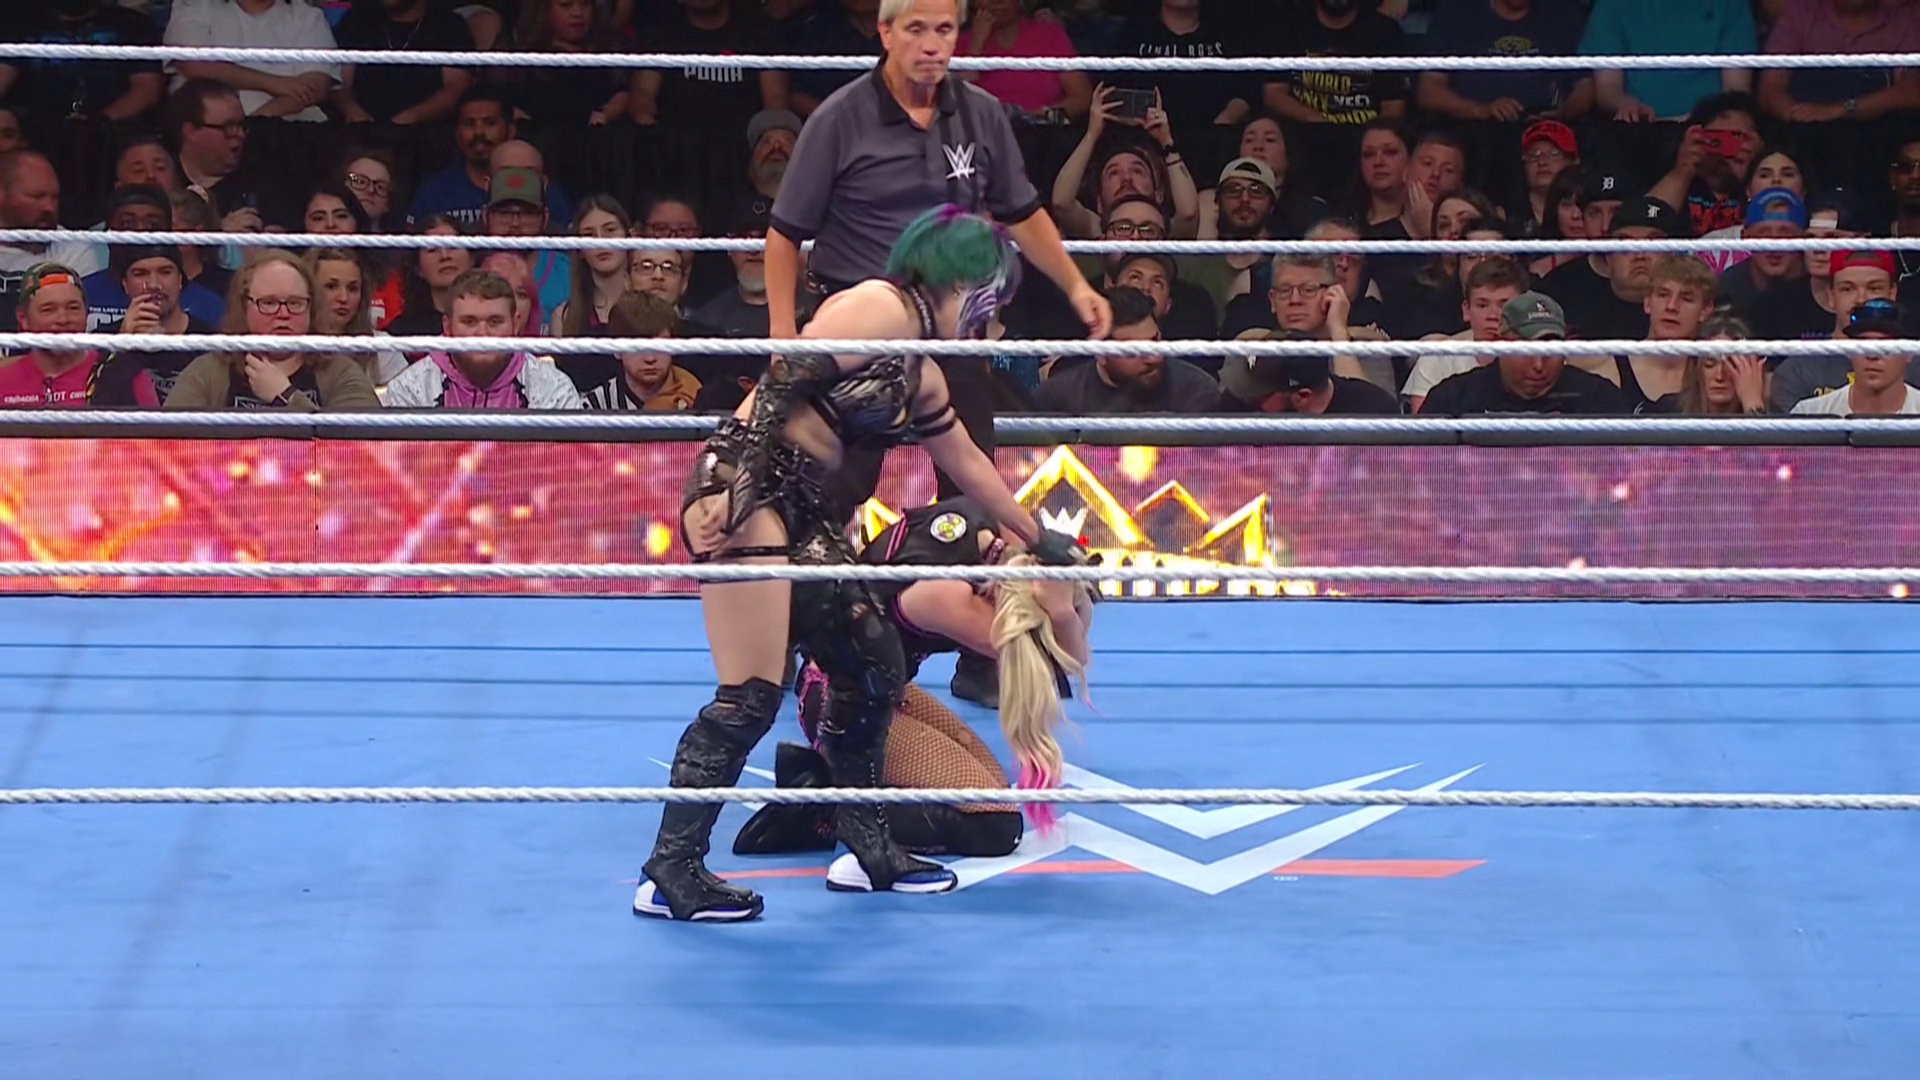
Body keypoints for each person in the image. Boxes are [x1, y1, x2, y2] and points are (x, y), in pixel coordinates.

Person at [634, 205, 1085, 924]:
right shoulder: (877, 306)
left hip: (803, 510)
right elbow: (782, 380)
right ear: (962, 281)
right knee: (750, 694)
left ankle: (869, 846)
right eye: (988, 298)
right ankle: (671, 870)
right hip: (745, 491)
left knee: (872, 666)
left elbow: (968, 461)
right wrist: (741, 490)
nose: (989, 318)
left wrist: (1038, 536)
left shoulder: (922, 372)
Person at [767, 0, 1112, 710]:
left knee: (972, 472)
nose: (931, 45)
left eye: (945, 29)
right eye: (916, 29)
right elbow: (784, 232)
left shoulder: (979, 114)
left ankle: (987, 653)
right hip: (858, 331)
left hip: (951, 325)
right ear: (885, 32)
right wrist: (782, 340)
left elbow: (1021, 210)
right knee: (829, 487)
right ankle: (798, 646)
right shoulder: (840, 117)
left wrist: (1076, 285)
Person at [732, 497, 1094, 865]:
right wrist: (1062, 610)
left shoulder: (984, 529)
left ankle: (821, 775)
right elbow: (1066, 659)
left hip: (883, 691)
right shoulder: (947, 595)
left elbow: (1069, 645)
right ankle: (823, 809)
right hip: (838, 701)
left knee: (994, 787)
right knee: (995, 824)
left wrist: (1066, 592)